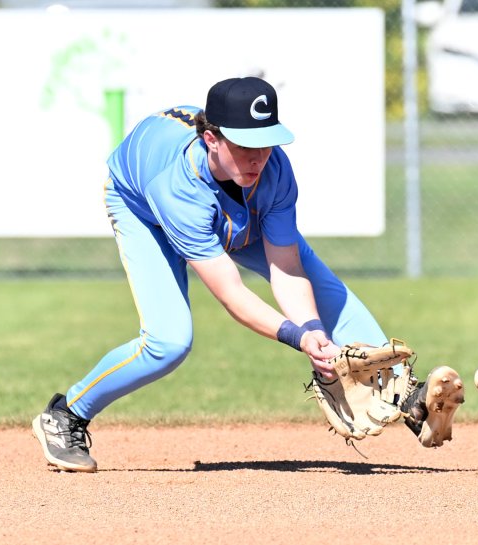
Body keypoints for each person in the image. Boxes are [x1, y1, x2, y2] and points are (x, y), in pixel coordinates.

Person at [32, 77, 454, 472]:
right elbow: (231, 293)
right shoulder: (177, 187)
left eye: (266, 143)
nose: (257, 157)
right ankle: (66, 414)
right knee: (168, 342)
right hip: (144, 209)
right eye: (244, 145)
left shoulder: (274, 170)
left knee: (321, 281)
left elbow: (287, 269)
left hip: (224, 209)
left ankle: (404, 394)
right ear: (211, 139)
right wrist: (298, 339)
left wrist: (313, 331)